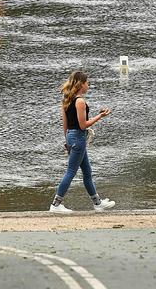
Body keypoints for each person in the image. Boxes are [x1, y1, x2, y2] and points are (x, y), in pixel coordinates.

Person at [49, 70, 115, 214]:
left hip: (73, 137)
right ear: (81, 85)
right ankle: (56, 204)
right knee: (71, 172)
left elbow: (65, 124)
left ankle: (98, 203)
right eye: (87, 83)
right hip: (78, 138)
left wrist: (67, 140)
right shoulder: (80, 101)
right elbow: (83, 125)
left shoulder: (66, 100)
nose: (88, 85)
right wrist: (100, 116)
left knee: (87, 172)